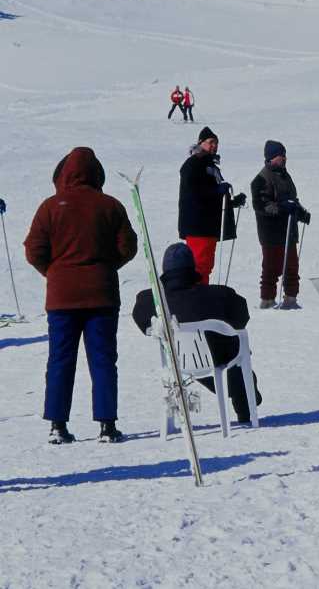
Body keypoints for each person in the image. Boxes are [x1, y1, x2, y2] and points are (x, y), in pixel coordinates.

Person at [24, 147, 138, 444]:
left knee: (60, 360)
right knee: (103, 360)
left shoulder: (50, 207)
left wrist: (55, 273)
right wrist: (106, 267)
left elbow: (34, 250)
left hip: (62, 297)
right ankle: (107, 425)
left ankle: (57, 425)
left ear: (62, 173)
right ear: (97, 173)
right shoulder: (110, 205)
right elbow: (128, 247)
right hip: (101, 294)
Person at [131, 243, 262, 424]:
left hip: (178, 361)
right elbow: (241, 318)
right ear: (192, 268)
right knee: (235, 348)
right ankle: (245, 407)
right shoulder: (220, 295)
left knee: (223, 350)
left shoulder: (149, 300)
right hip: (218, 358)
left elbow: (143, 324)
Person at [178, 127, 245, 285]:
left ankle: (202, 294)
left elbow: (213, 197)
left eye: (216, 143)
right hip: (198, 225)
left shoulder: (210, 166)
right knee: (199, 266)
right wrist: (217, 191)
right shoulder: (194, 163)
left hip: (208, 225)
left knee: (206, 266)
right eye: (211, 142)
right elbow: (194, 191)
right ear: (200, 143)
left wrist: (232, 202)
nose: (214, 146)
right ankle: (196, 295)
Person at [251, 140, 310, 309]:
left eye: (284, 155)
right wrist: (281, 207)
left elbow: (292, 199)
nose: (283, 158)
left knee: (291, 266)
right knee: (271, 267)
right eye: (279, 155)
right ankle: (267, 299)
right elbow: (261, 205)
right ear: (270, 157)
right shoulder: (261, 179)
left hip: (288, 230)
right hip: (271, 232)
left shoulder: (285, 175)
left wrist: (300, 212)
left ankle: (291, 298)